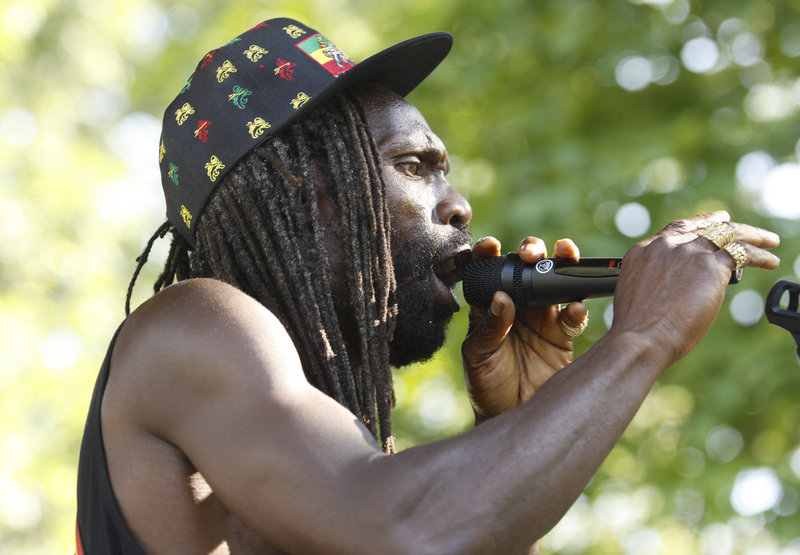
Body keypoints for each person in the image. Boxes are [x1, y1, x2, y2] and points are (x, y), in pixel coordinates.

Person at [76, 17, 781, 554]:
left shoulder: (331, 437)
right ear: (304, 187)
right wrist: (645, 335)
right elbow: (408, 531)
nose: (459, 205)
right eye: (416, 165)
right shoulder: (196, 323)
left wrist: (510, 430)